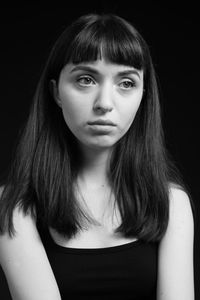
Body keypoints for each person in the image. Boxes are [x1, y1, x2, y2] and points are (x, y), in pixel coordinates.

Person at [0, 13, 194, 300]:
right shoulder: (13, 206)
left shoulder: (171, 202)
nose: (104, 103)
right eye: (86, 79)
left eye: (126, 83)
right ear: (56, 93)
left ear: (143, 96)